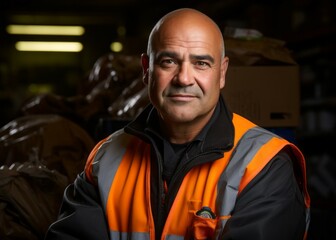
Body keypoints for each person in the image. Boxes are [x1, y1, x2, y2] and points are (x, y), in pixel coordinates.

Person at [45, 8, 310, 240]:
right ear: (146, 69)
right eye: (168, 61)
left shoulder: (265, 165)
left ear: (222, 73)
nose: (184, 78)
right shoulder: (105, 159)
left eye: (201, 63)